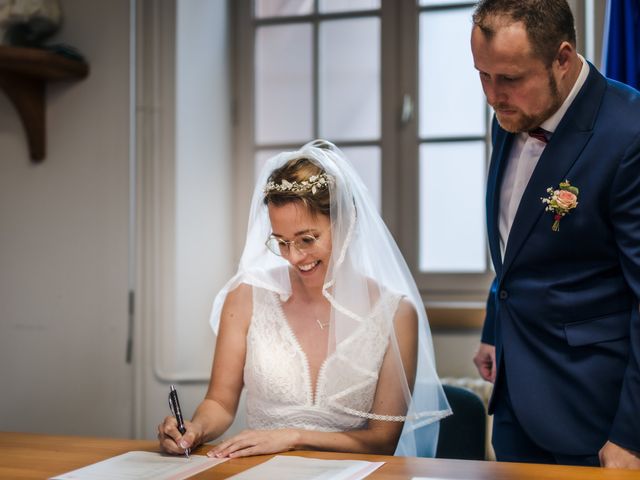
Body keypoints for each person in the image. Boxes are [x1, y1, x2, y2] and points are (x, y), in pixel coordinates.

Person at [158, 140, 451, 458]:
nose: (294, 257)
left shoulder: (396, 314)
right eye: (281, 242)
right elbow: (220, 403)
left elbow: (382, 440)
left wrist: (292, 437)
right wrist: (196, 428)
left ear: (346, 222)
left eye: (307, 239)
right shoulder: (246, 297)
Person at [470, 0, 640, 469]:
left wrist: (632, 435)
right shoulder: (509, 115)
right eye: (482, 75)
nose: (492, 94)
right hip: (515, 403)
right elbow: (517, 241)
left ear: (562, 59)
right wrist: (493, 327)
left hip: (596, 415)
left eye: (508, 78)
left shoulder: (629, 135)